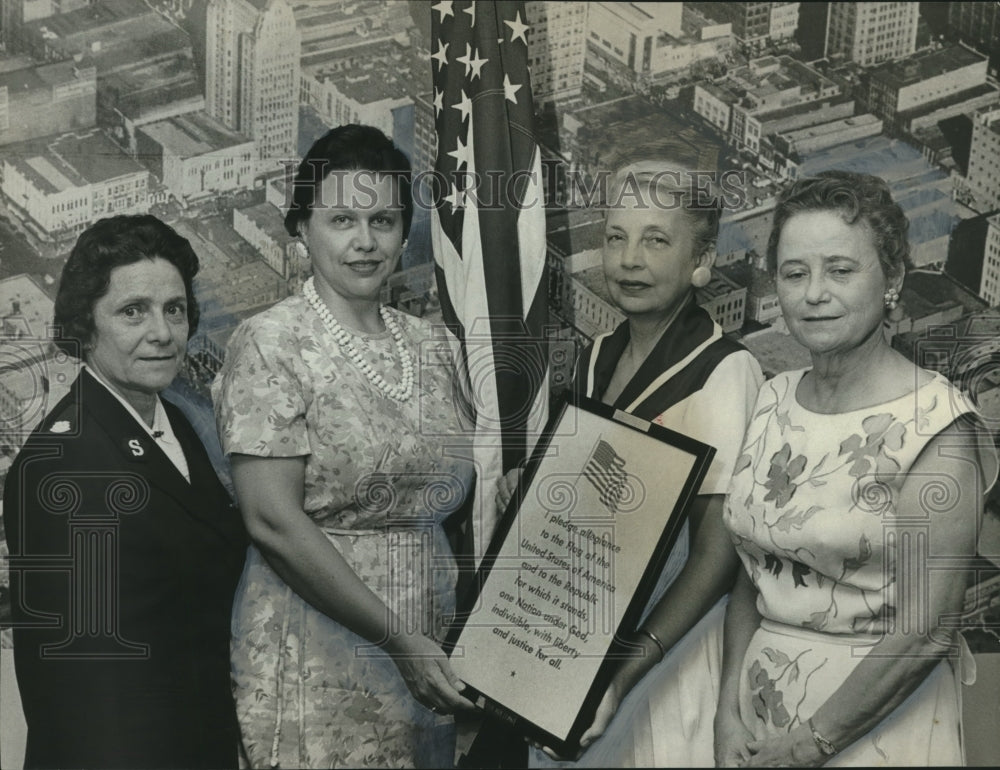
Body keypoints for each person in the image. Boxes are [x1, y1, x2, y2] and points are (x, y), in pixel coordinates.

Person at [212, 124, 477, 769]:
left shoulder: (435, 345)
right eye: (341, 219)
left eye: (383, 220)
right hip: (316, 644)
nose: (365, 242)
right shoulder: (270, 342)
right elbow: (271, 520)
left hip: (429, 639)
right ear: (302, 227)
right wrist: (397, 639)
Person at [717, 171, 999, 766]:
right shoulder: (775, 398)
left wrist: (808, 745)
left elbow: (928, 629)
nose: (814, 292)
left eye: (841, 270)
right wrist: (726, 708)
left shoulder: (938, 427)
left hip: (874, 729)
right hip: (759, 716)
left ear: (892, 279)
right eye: (795, 273)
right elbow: (753, 568)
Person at [504, 158, 764, 767]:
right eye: (615, 237)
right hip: (584, 632)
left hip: (667, 643)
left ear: (701, 261)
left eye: (656, 240)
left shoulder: (725, 371)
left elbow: (716, 556)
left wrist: (621, 672)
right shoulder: (598, 356)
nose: (628, 259)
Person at [3, 215, 247, 769]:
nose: (161, 332)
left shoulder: (170, 422)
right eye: (132, 311)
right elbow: (78, 697)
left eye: (174, 309)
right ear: (85, 326)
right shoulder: (63, 468)